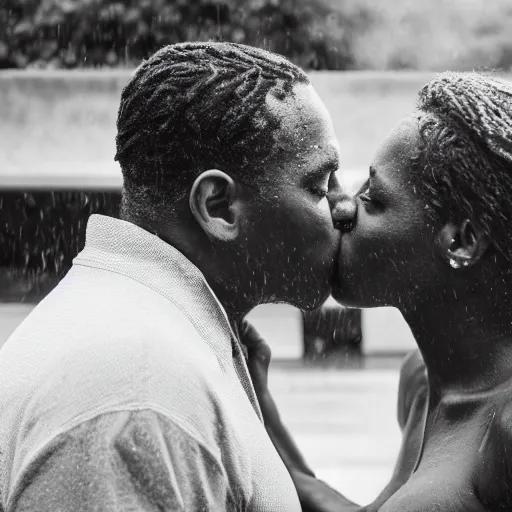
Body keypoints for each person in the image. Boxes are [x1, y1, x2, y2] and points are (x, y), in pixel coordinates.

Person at [0, 42, 356, 511]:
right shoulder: (140, 395)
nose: (345, 205)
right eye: (320, 183)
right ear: (217, 206)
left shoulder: (144, 346)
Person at [244, 71, 512, 511]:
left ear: (461, 241)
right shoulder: (422, 383)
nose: (342, 206)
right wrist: (261, 408)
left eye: (374, 199)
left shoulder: (505, 425)